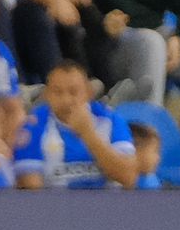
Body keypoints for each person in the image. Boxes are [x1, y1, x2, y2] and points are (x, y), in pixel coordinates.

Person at [12, 60, 139, 189]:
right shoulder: (33, 124)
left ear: (88, 93)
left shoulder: (110, 119)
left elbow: (128, 177)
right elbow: (30, 188)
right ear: (47, 95)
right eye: (58, 92)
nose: (66, 100)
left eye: (73, 92)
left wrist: (88, 134)